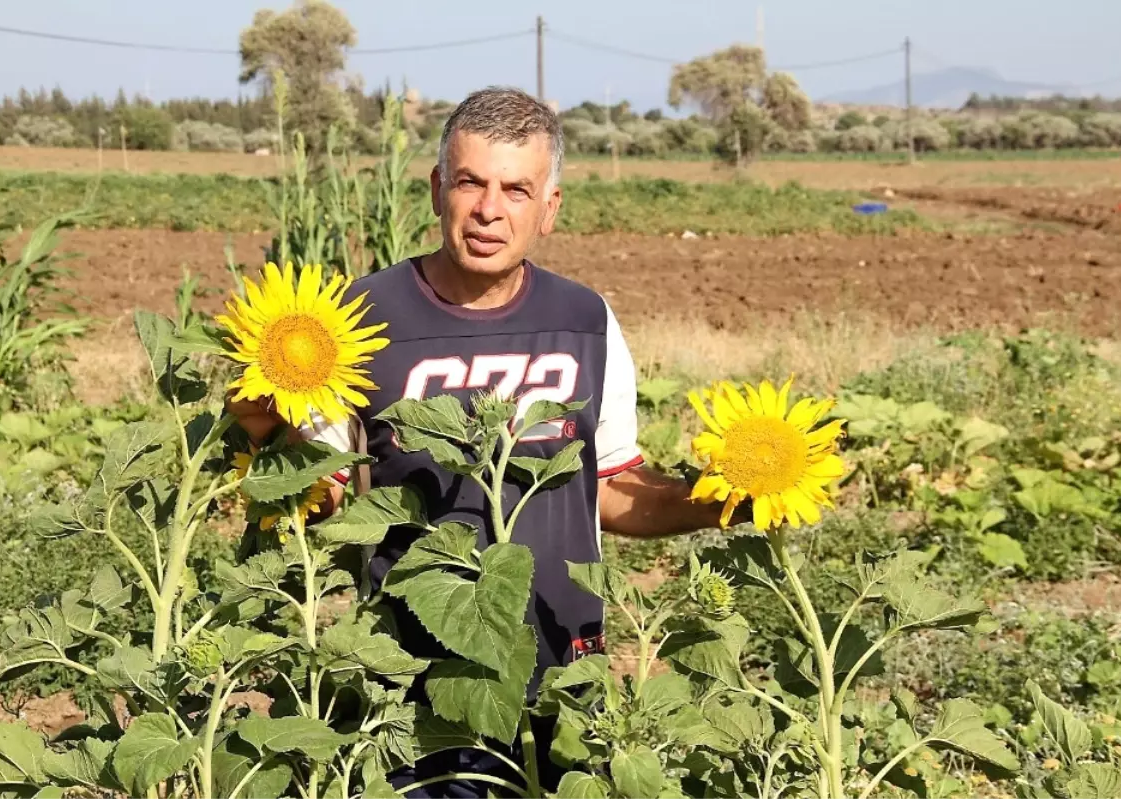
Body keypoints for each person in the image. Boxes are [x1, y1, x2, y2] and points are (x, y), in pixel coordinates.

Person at [227, 86, 750, 797]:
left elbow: (614, 487)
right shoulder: (358, 320)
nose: (489, 209)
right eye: (471, 182)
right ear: (438, 188)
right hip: (417, 680)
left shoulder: (585, 321)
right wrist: (262, 428)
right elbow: (325, 492)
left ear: (550, 207)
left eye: (516, 189)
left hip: (564, 671)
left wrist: (729, 499)